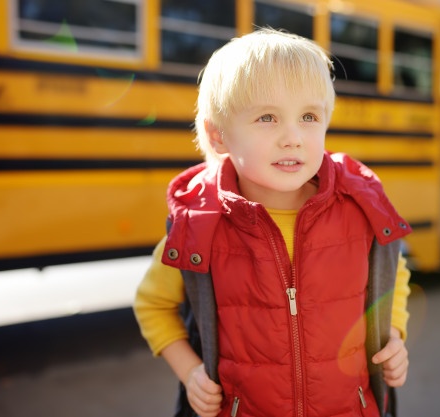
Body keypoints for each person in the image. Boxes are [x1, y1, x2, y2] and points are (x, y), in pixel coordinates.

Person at [134, 28, 412, 417]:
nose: (293, 137)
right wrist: (191, 371)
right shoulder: (198, 225)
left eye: (309, 117)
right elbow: (153, 304)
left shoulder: (358, 211)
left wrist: (393, 336)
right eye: (267, 117)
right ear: (218, 137)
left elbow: (392, 275)